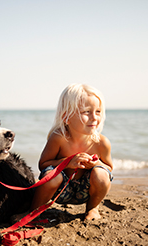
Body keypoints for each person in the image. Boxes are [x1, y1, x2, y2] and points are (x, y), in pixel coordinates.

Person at [30, 83, 113, 221]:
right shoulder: (59, 138)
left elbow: (109, 168)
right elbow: (43, 164)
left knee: (102, 174)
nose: (94, 117)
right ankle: (33, 211)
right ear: (66, 117)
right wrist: (67, 162)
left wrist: (96, 164)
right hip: (61, 190)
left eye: (98, 111)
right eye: (86, 111)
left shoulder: (101, 143)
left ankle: (92, 208)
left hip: (86, 190)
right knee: (51, 175)